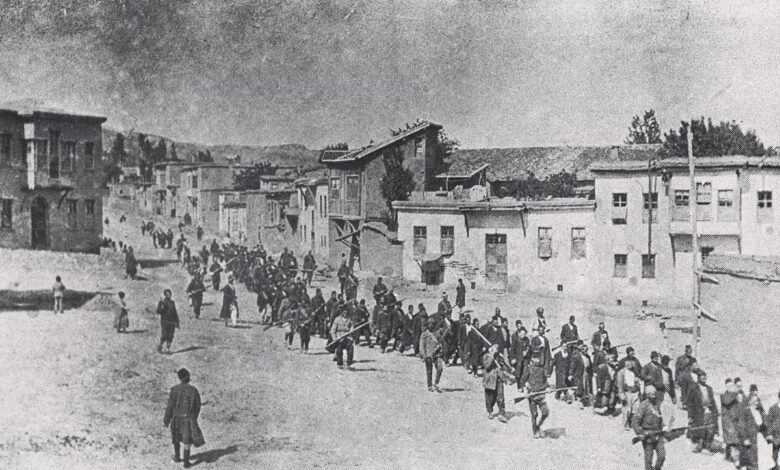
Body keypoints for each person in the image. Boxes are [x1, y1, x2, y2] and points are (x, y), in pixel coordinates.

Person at [163, 368, 204, 468]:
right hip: (188, 419)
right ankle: (186, 462)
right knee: (187, 441)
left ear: (179, 378)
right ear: (188, 377)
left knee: (176, 438)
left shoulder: (174, 390)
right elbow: (198, 405)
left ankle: (177, 457)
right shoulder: (193, 390)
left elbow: (169, 406)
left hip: (176, 418)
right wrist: (194, 417)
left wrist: (166, 419)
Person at [632, 385, 666, 470]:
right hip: (647, 437)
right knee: (648, 460)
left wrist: (664, 427)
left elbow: (661, 418)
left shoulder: (657, 404)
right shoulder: (643, 406)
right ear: (647, 395)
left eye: (655, 395)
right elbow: (635, 422)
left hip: (658, 434)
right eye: (652, 395)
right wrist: (641, 432)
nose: (654, 397)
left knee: (662, 456)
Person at [686, 370, 719, 453]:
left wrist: (716, 411)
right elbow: (690, 403)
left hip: (709, 411)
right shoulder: (693, 388)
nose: (704, 377)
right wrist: (690, 416)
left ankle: (708, 445)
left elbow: (713, 401)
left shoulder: (709, 388)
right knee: (700, 429)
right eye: (702, 376)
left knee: (710, 429)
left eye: (705, 376)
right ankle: (699, 445)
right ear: (698, 377)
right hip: (699, 412)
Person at [520, 356, 550, 439]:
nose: (538, 360)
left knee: (545, 412)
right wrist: (526, 386)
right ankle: (535, 431)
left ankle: (539, 426)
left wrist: (548, 388)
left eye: (539, 358)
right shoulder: (529, 369)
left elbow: (545, 381)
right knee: (534, 414)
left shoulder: (542, 369)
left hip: (541, 395)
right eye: (536, 358)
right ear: (532, 360)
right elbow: (522, 380)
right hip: (532, 396)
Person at [483, 345, 510, 423]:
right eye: (494, 349)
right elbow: (487, 366)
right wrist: (492, 355)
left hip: (499, 379)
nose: (496, 350)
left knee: (500, 397)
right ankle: (490, 411)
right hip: (490, 379)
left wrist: (505, 374)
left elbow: (503, 366)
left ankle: (501, 414)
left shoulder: (499, 356)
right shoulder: (486, 356)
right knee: (490, 397)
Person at [617, 355, 641, 431]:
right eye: (629, 362)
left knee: (636, 408)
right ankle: (626, 424)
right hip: (627, 392)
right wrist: (621, 394)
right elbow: (619, 384)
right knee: (627, 409)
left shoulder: (634, 371)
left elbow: (637, 381)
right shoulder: (621, 372)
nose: (631, 364)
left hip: (635, 391)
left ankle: (633, 423)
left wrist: (639, 390)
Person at [420, 318, 444, 392]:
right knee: (429, 371)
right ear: (427, 325)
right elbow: (422, 346)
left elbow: (441, 343)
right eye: (429, 324)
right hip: (428, 355)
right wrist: (423, 355)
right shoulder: (424, 334)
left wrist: (440, 348)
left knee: (440, 368)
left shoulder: (438, 334)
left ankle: (436, 383)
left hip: (437, 354)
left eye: (432, 324)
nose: (431, 325)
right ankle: (429, 385)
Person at [721, 378, 742, 465]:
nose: (731, 387)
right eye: (729, 386)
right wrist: (734, 393)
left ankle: (728, 456)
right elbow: (727, 401)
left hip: (736, 421)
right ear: (726, 386)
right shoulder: (724, 395)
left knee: (733, 440)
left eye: (732, 385)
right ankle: (736, 460)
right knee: (733, 441)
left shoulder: (735, 394)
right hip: (728, 422)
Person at [156, 289, 180, 354]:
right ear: (165, 295)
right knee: (164, 335)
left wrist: (177, 322)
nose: (169, 295)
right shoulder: (162, 302)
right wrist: (162, 307)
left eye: (170, 294)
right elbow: (158, 311)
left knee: (170, 335)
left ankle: (167, 349)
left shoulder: (172, 302)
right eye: (167, 294)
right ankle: (160, 345)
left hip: (172, 321)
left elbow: (175, 312)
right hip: (165, 321)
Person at [765, 389, 780, 470]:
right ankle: (775, 466)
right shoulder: (773, 408)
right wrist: (769, 434)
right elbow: (769, 422)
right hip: (776, 435)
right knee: (775, 453)